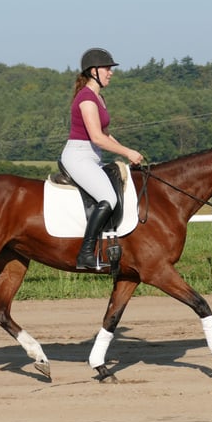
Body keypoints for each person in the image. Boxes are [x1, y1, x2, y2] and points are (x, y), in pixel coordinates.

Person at [60, 48, 143, 270]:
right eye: (107, 68)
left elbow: (105, 134)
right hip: (78, 156)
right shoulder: (86, 98)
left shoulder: (98, 97)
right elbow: (97, 137)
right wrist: (126, 152)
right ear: (94, 71)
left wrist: (126, 150)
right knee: (108, 197)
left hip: (91, 156)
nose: (111, 73)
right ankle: (85, 254)